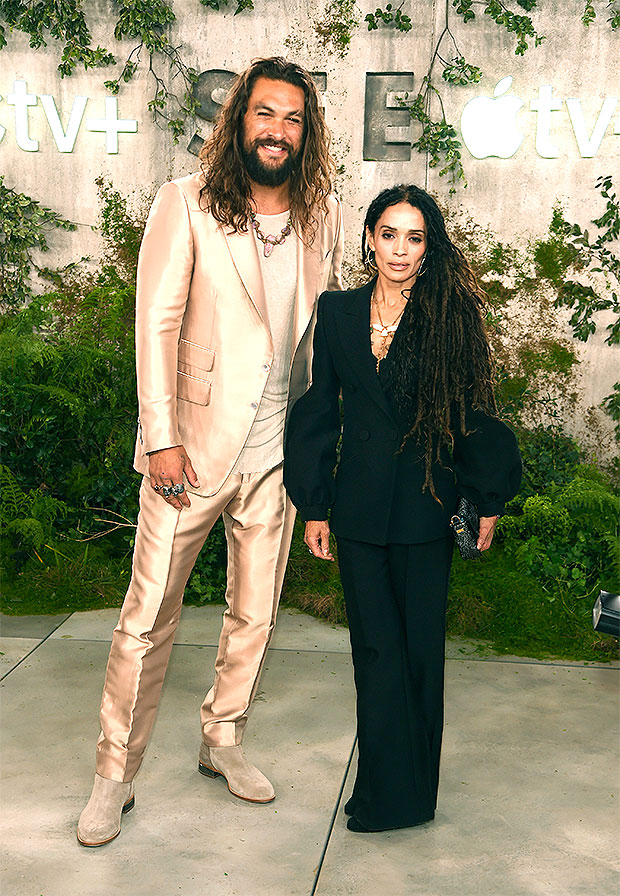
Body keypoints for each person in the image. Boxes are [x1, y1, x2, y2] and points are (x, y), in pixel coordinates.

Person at [77, 57, 343, 847]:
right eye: (266, 114)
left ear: (307, 132)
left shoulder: (317, 215)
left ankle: (221, 739)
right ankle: (113, 776)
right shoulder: (184, 204)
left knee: (255, 615)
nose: (279, 131)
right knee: (146, 616)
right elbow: (155, 324)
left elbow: (313, 335)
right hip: (188, 454)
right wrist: (159, 438)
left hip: (277, 457)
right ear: (239, 121)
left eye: (294, 118)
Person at [283, 184, 521, 833]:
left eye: (414, 237)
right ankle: (385, 788)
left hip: (425, 507)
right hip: (358, 513)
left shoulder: (450, 316)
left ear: (428, 246)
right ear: (368, 237)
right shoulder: (335, 313)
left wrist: (487, 500)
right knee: (375, 655)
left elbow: (472, 411)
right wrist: (315, 505)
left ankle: (407, 796)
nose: (400, 249)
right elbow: (314, 413)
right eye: (389, 233)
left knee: (417, 656)